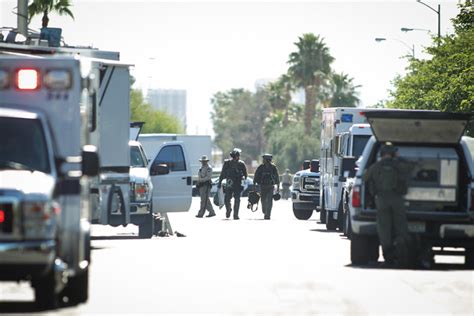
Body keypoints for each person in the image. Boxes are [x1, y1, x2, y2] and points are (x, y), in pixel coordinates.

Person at [363, 142, 414, 267]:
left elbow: (365, 178)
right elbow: (411, 168)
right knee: (401, 228)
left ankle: (388, 258)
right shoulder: (398, 165)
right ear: (392, 153)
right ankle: (403, 257)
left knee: (384, 230)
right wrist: (398, 158)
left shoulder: (376, 166)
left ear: (381, 153)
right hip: (397, 200)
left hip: (381, 200)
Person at [218, 148, 247, 220]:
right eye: (237, 156)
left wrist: (243, 178)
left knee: (237, 200)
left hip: (238, 184)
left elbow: (245, 175)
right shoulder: (227, 163)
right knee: (227, 199)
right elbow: (222, 173)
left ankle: (235, 215)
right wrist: (219, 182)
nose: (238, 157)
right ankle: (228, 209)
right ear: (234, 156)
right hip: (229, 183)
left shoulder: (241, 164)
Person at [254, 153, 280, 220]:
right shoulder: (261, 167)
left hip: (270, 187)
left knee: (269, 201)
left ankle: (268, 214)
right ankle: (265, 211)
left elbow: (277, 177)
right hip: (263, 187)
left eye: (264, 159)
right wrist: (254, 185)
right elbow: (256, 175)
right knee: (263, 201)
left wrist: (278, 187)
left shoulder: (273, 167)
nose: (263, 160)